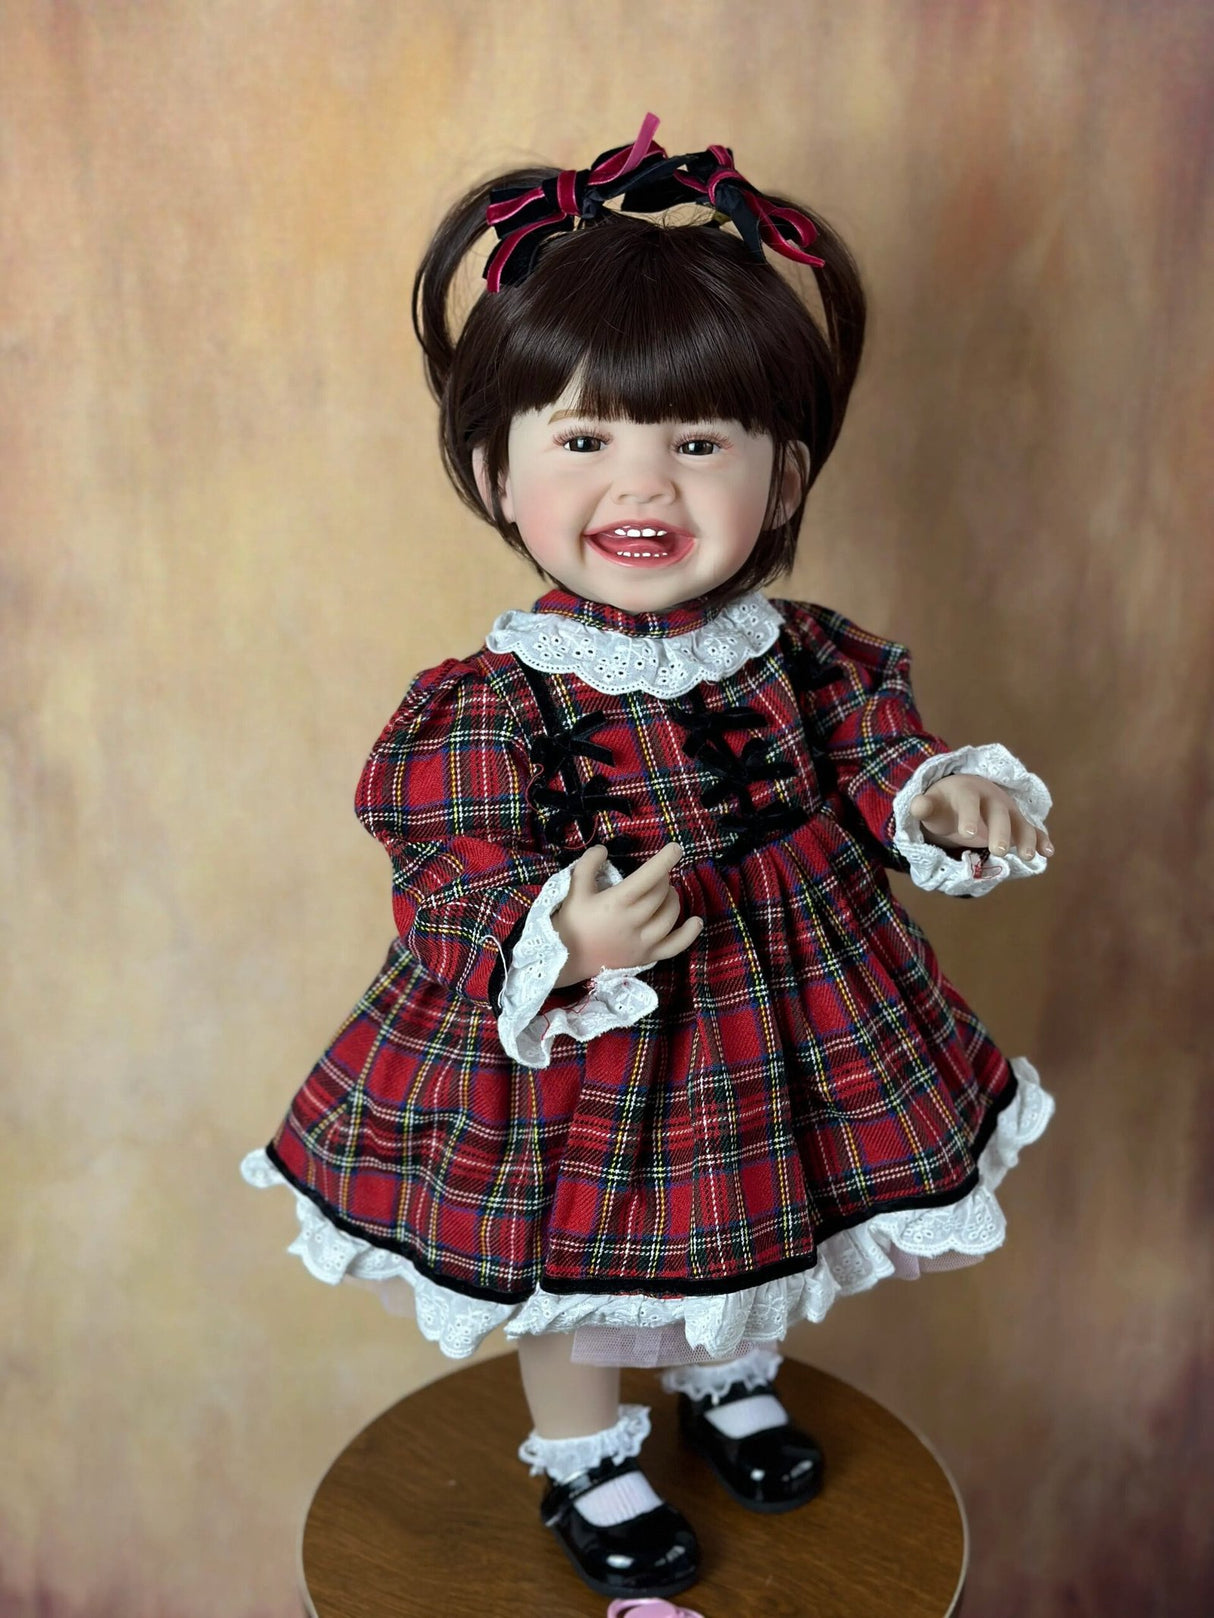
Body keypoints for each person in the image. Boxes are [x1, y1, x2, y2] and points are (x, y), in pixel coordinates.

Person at [241, 113, 1056, 1601]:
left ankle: (732, 1376)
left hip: (791, 1008)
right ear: (498, 475)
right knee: (580, 1260)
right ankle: (592, 1456)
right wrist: (562, 932)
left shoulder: (802, 652)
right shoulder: (486, 698)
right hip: (586, 1047)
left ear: (785, 477)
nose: (643, 488)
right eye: (583, 438)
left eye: (697, 441)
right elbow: (445, 866)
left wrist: (937, 797)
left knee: (767, 1202)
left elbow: (872, 754)